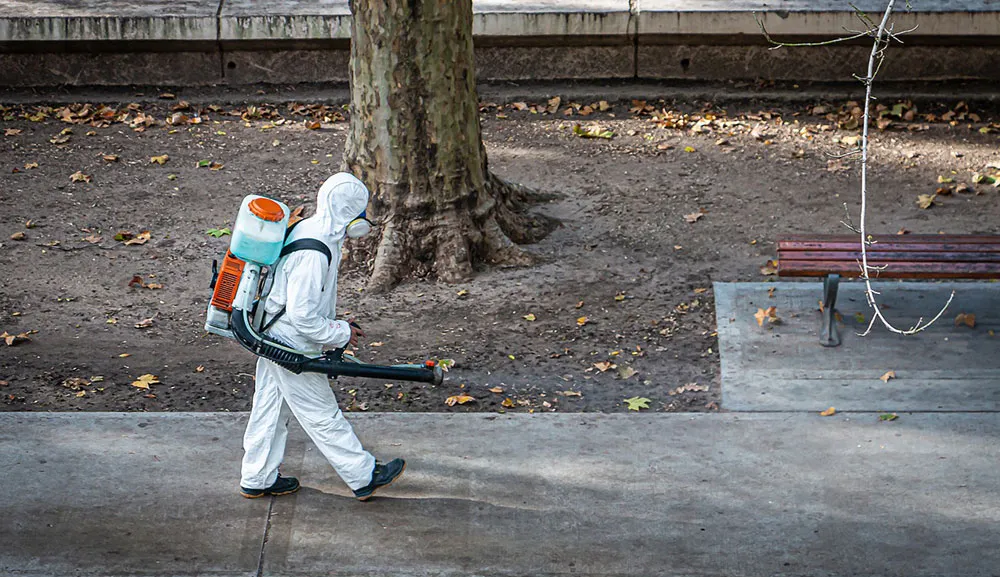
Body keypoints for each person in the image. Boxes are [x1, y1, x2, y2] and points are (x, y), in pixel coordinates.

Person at [238, 172, 404, 502]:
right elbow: (302, 316)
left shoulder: (310, 229)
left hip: (271, 330)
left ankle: (257, 476)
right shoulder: (316, 253)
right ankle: (363, 475)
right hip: (288, 340)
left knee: (270, 408)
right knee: (321, 412)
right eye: (360, 210)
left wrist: (335, 327)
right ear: (348, 211)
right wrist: (339, 333)